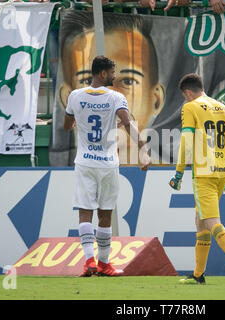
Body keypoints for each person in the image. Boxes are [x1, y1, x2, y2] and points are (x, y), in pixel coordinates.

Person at [64, 55, 150, 277]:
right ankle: (104, 264)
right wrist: (143, 149)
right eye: (112, 72)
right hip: (108, 164)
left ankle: (89, 262)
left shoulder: (75, 96)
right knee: (105, 214)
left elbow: (66, 126)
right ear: (102, 73)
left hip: (84, 162)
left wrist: (77, 120)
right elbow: (128, 123)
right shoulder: (116, 98)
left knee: (85, 212)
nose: (114, 76)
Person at [169, 73, 225, 285]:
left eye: (185, 97)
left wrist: (178, 173)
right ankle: (198, 274)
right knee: (201, 221)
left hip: (203, 173)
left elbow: (187, 142)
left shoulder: (190, 107)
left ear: (187, 93)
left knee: (212, 221)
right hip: (222, 171)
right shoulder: (224, 108)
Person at [58, 11, 165, 164]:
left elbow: (68, 125)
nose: (111, 90)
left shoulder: (83, 97)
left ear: (156, 99)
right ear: (66, 97)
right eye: (87, 80)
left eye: (128, 81)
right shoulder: (111, 99)